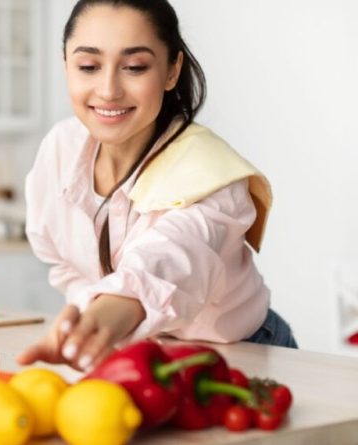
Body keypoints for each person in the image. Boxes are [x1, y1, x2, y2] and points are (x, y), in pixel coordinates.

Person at [18, 0, 297, 372]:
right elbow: (59, 258)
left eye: (134, 67)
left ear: (171, 70)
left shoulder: (208, 170)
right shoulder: (61, 148)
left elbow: (173, 258)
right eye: (88, 66)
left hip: (241, 355)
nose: (108, 89)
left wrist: (110, 313)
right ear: (65, 64)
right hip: (141, 355)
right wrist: (94, 319)